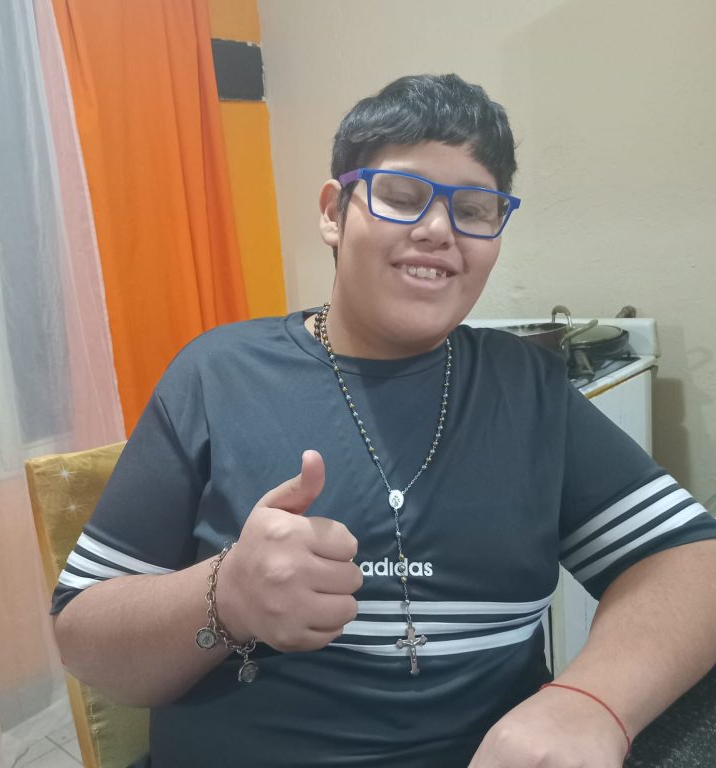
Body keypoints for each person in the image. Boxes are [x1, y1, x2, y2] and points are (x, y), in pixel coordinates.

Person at [52, 74, 716, 767]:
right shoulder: (217, 374)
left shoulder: (527, 386)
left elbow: (693, 561)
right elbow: (87, 647)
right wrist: (226, 596)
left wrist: (592, 700)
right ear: (334, 212)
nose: (438, 230)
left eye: (475, 209)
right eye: (401, 197)